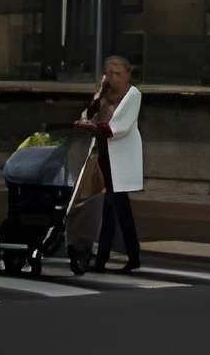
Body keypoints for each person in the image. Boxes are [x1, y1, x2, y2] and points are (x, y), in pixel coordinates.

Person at [77, 54, 144, 273]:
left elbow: (120, 126)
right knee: (115, 209)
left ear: (127, 75)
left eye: (118, 74)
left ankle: (107, 259)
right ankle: (126, 257)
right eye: (109, 73)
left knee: (113, 208)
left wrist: (97, 128)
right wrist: (98, 95)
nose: (113, 78)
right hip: (103, 156)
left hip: (120, 159)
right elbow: (88, 115)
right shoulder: (103, 96)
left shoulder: (133, 95)